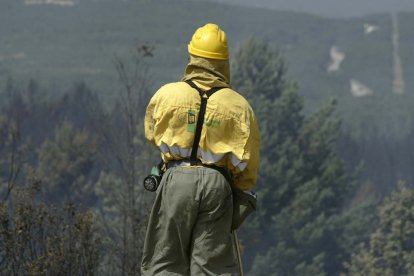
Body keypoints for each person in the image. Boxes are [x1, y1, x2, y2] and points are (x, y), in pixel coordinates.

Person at [141, 23, 260, 276]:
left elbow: (152, 133)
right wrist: (239, 191)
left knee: (166, 262)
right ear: (224, 62)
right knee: (211, 267)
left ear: (192, 56)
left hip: (177, 180)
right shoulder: (239, 106)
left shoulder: (168, 94)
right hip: (218, 185)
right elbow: (249, 165)